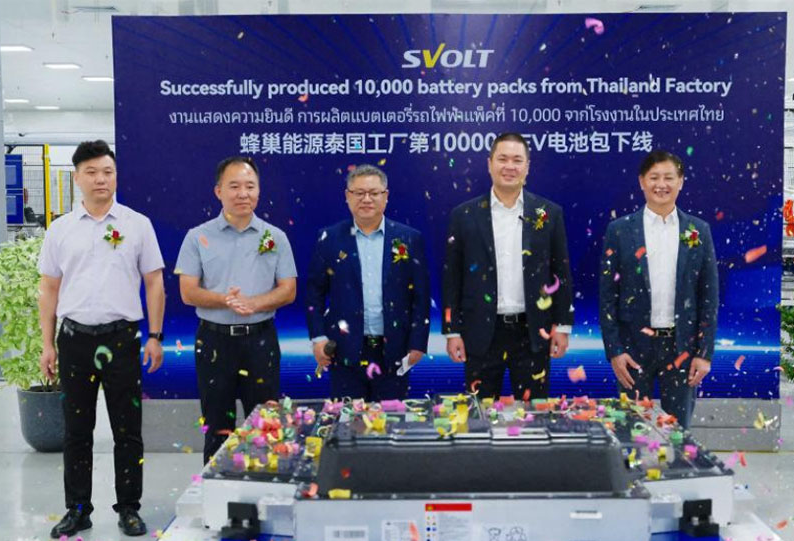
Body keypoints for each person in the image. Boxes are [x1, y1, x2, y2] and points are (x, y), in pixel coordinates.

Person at [38, 140, 166, 539]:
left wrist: (155, 335)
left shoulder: (137, 224)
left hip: (122, 339)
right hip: (74, 340)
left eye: (107, 172)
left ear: (116, 177)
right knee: (77, 432)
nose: (100, 179)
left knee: (128, 430)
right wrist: (47, 344)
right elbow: (49, 288)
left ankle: (129, 508)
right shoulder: (60, 230)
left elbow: (154, 282)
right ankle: (78, 509)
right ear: (77, 178)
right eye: (91, 172)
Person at [176, 157, 297, 464]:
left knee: (267, 425)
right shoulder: (197, 236)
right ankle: (217, 492)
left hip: (260, 341)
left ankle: (266, 487)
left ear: (259, 190)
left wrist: (255, 303)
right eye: (234, 186)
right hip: (214, 342)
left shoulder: (275, 237)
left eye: (250, 186)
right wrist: (224, 300)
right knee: (217, 425)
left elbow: (289, 289)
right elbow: (188, 292)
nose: (243, 193)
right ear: (219, 191)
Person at [442, 132, 573, 400]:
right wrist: (452, 331)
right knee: (479, 413)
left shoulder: (548, 213)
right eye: (502, 159)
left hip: (533, 333)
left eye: (517, 160)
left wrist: (562, 326)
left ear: (528, 166)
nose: (509, 166)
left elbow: (560, 272)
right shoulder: (464, 215)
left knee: (535, 414)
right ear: (489, 164)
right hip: (480, 333)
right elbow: (452, 277)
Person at [598, 150, 718, 427]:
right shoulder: (620, 230)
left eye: (668, 178)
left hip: (682, 348)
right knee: (630, 429)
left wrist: (704, 354)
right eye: (654, 177)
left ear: (681, 182)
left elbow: (709, 296)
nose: (661, 185)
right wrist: (614, 351)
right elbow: (607, 296)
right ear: (642, 181)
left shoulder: (698, 230)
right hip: (632, 349)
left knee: (678, 431)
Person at [305, 165, 430, 401]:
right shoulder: (329, 238)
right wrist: (318, 338)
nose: (366, 199)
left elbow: (421, 296)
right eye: (359, 193)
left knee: (391, 419)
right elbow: (314, 294)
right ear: (347, 196)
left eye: (374, 193)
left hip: (395, 350)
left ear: (386, 196)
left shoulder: (409, 238)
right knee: (348, 420)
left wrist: (418, 343)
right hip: (344, 351)